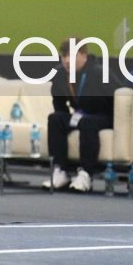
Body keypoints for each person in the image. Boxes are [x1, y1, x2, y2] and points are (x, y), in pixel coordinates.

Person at [45, 39, 115, 192]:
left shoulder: (99, 72)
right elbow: (59, 102)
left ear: (84, 55)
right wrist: (66, 122)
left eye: (71, 56)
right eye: (64, 56)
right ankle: (60, 170)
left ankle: (86, 174)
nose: (67, 61)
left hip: (104, 116)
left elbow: (118, 97)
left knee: (87, 122)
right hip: (80, 115)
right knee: (55, 119)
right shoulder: (60, 74)